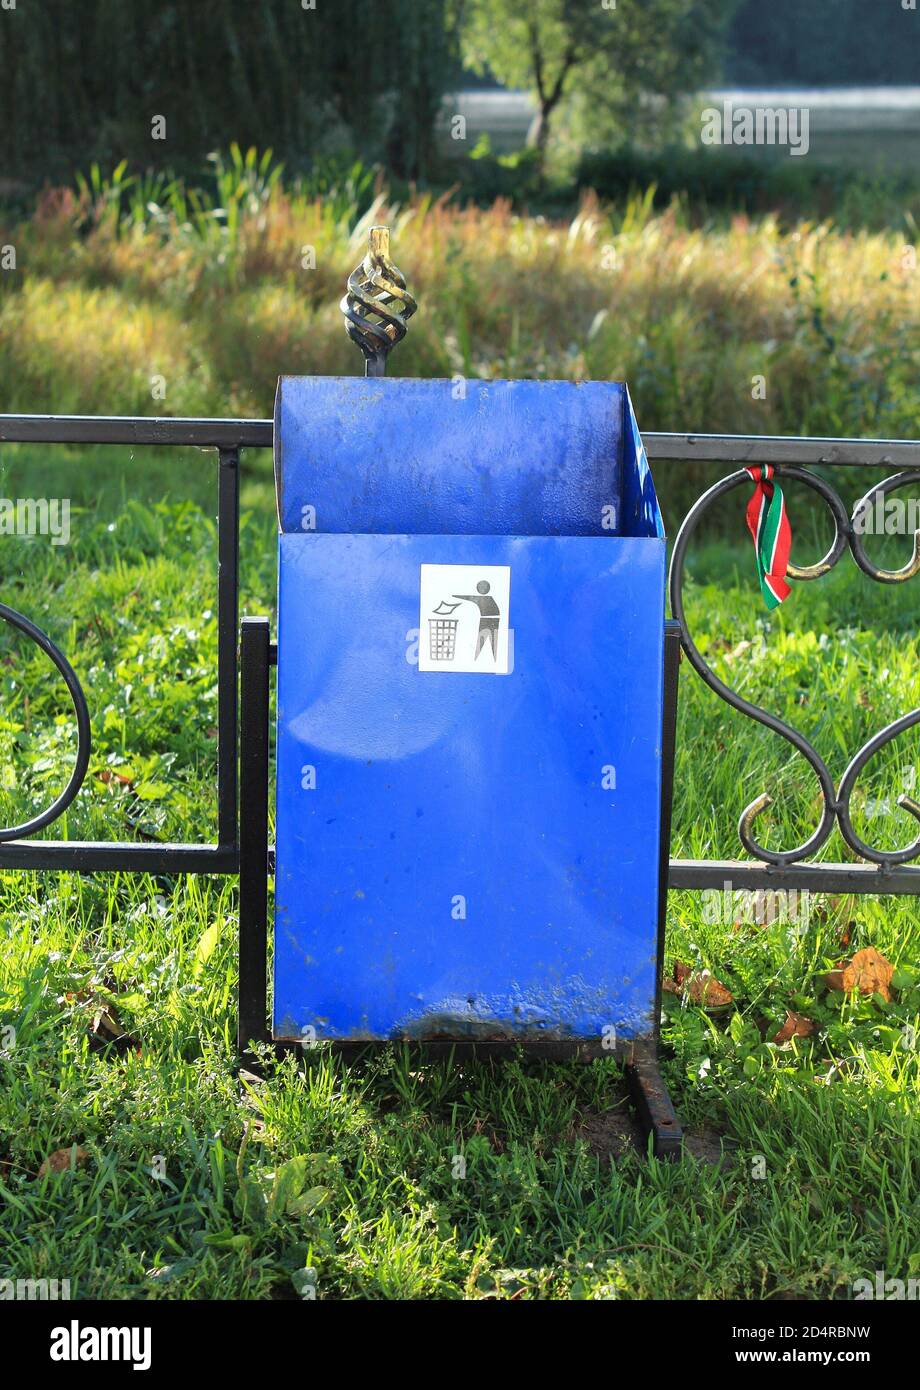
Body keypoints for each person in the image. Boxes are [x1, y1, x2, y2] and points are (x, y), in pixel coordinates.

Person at [453, 580, 500, 661]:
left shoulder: (485, 598)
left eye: (483, 587)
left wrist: (455, 596)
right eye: (481, 587)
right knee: (487, 640)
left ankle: (485, 659)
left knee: (488, 640)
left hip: (490, 619)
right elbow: (470, 597)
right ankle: (481, 659)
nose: (482, 589)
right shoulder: (488, 598)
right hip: (489, 618)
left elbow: (469, 598)